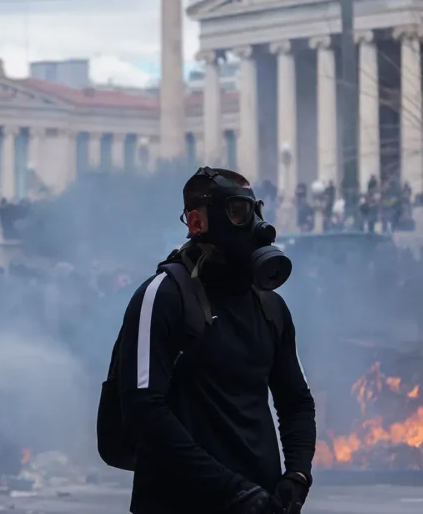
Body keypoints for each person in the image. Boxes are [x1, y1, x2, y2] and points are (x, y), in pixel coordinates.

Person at [118, 167, 316, 514]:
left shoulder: (269, 305)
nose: (255, 226)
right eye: (237, 212)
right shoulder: (163, 296)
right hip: (178, 503)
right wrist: (232, 490)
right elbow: (144, 410)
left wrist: (297, 475)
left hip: (260, 502)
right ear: (196, 223)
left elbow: (296, 400)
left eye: (255, 211)